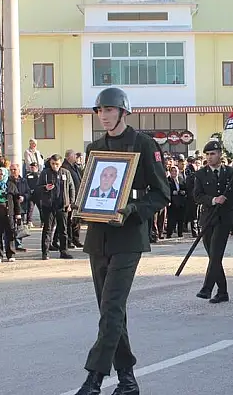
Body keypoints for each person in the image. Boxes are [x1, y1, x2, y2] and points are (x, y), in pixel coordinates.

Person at [74, 87, 169, 395]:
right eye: (100, 110)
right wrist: (80, 207)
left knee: (112, 307)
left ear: (123, 112)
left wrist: (132, 209)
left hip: (128, 237)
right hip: (98, 238)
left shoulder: (143, 144)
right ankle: (127, 381)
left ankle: (94, 379)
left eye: (109, 110)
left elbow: (161, 193)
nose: (103, 116)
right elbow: (91, 189)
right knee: (110, 311)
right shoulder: (95, 148)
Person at [193, 140, 233, 303]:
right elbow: (197, 196)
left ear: (220, 154)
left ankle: (207, 288)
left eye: (213, 154)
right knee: (213, 256)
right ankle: (223, 292)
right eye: (208, 154)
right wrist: (213, 199)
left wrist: (227, 198)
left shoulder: (231, 173)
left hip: (223, 219)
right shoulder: (200, 174)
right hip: (208, 218)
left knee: (215, 253)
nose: (210, 157)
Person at [37, 154, 75, 260]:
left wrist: (71, 203)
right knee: (48, 229)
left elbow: (71, 188)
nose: (55, 166)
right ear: (50, 163)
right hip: (49, 206)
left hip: (63, 205)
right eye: (53, 164)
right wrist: (45, 188)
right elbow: (38, 188)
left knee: (63, 230)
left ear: (61, 163)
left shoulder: (66, 173)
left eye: (57, 164)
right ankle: (45, 252)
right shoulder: (45, 173)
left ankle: (64, 251)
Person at [63, 150, 84, 248]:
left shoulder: (75, 167)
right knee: (69, 221)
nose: (76, 157)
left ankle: (76, 239)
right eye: (74, 155)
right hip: (70, 198)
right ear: (68, 157)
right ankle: (68, 241)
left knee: (76, 220)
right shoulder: (65, 167)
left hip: (78, 197)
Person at [166, 165, 187, 238]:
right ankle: (169, 233)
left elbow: (185, 188)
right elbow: (167, 190)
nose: (174, 173)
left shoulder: (181, 179)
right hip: (172, 202)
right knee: (171, 219)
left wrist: (183, 192)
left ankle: (180, 233)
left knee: (181, 219)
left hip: (181, 202)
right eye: (172, 171)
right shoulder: (168, 180)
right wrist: (172, 192)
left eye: (176, 171)